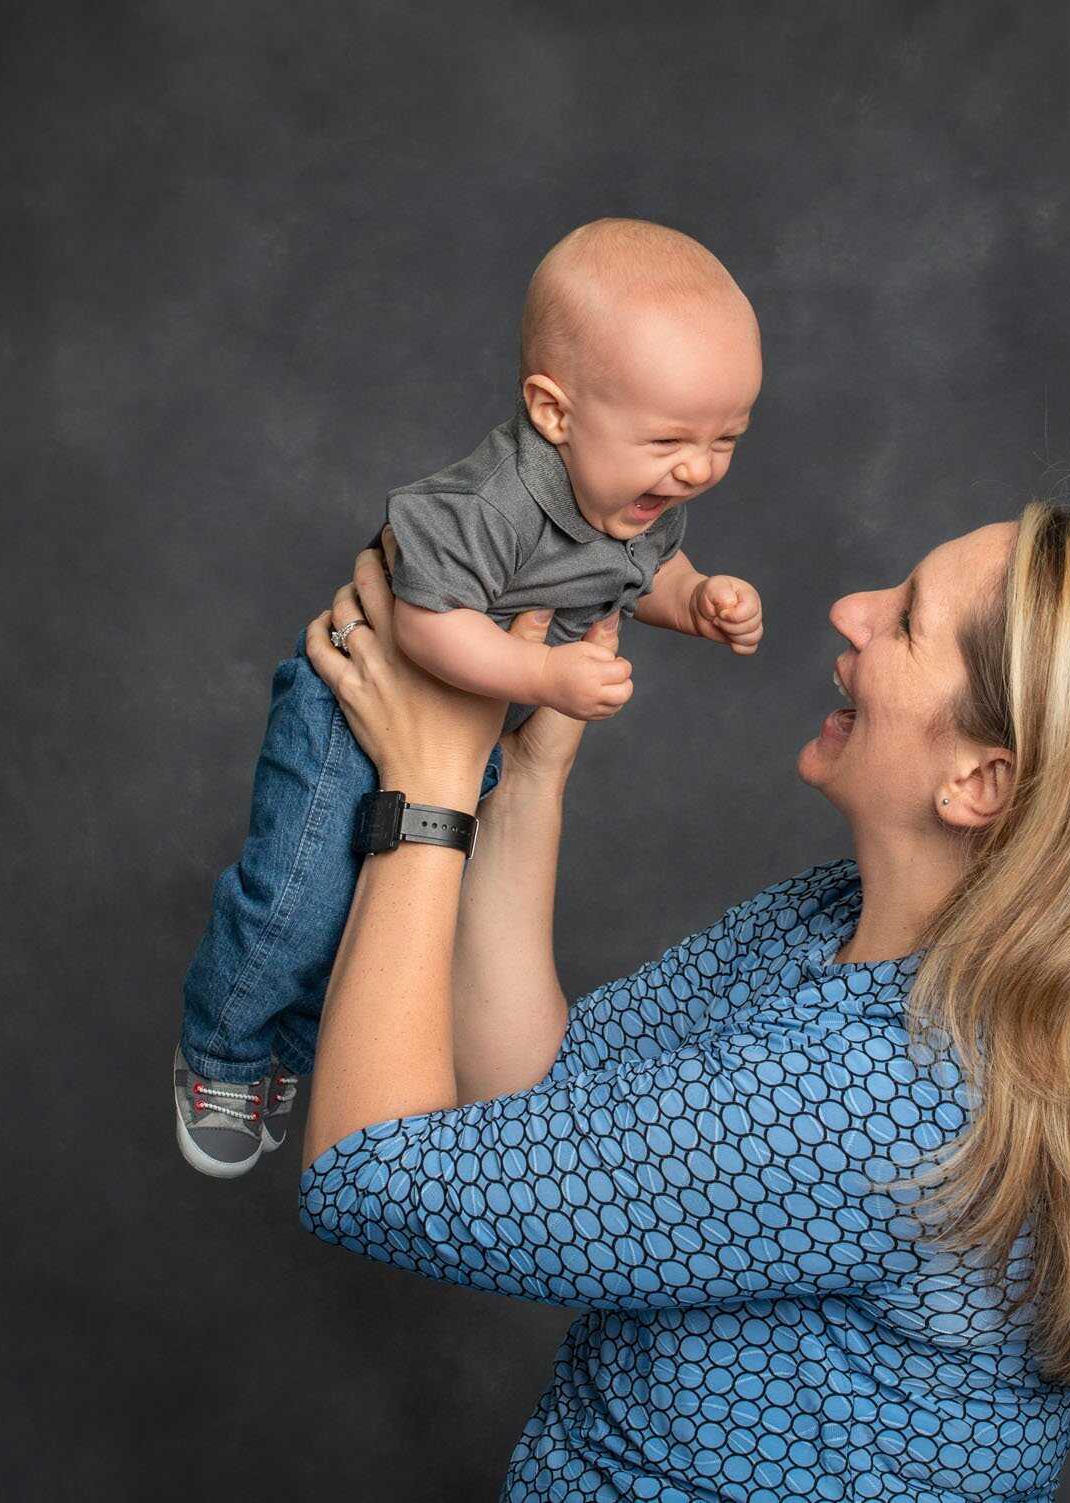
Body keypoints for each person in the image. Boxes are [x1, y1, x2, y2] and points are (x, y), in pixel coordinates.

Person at [298, 502, 1070, 1500]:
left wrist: (426, 790)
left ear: (980, 781)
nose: (850, 609)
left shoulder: (891, 1097)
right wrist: (528, 780)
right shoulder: (837, 922)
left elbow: (362, 1173)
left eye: (903, 623)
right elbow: (536, 1087)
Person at [174, 218, 767, 1177]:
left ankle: (288, 1041)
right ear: (554, 410)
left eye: (725, 438)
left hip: (468, 733)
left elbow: (642, 564)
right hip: (348, 716)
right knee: (299, 904)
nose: (698, 468)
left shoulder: (634, 492)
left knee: (396, 932)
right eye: (669, 439)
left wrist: (692, 598)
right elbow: (426, 626)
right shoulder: (480, 507)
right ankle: (222, 1051)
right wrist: (546, 676)